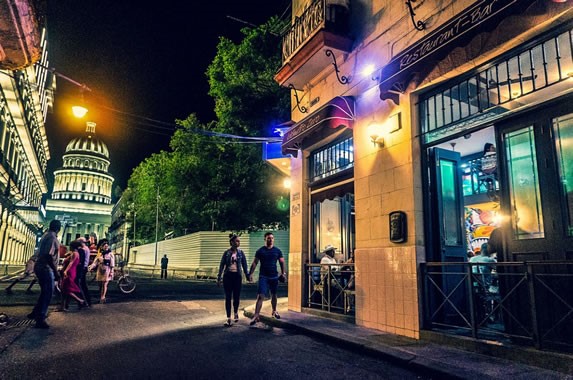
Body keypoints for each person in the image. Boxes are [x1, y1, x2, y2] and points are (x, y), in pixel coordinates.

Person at [248, 232, 286, 325]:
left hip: (274, 276)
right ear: (265, 239)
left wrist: (283, 273)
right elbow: (254, 263)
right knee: (261, 296)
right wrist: (250, 274)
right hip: (263, 276)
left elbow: (281, 262)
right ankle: (256, 315)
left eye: (272, 238)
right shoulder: (260, 251)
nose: (271, 240)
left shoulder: (277, 251)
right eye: (269, 238)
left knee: (274, 295)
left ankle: (274, 311)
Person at [29, 220, 61, 329]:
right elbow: (48, 256)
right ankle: (40, 318)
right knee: (48, 293)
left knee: (44, 292)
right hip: (46, 268)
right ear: (58, 228)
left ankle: (35, 312)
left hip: (40, 266)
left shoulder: (45, 236)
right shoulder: (52, 238)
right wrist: (56, 272)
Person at [217, 234, 250, 327]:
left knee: (236, 296)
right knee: (228, 297)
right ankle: (228, 318)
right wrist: (219, 278)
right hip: (228, 276)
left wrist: (247, 275)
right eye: (236, 241)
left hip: (237, 276)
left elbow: (244, 265)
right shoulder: (226, 253)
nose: (238, 243)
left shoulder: (241, 253)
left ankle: (235, 312)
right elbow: (222, 265)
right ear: (231, 242)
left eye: (239, 241)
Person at [57, 240, 86, 311]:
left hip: (70, 272)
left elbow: (71, 263)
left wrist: (66, 271)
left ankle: (80, 300)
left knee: (67, 289)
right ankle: (62, 307)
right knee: (64, 289)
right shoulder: (74, 253)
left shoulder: (75, 254)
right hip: (71, 271)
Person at [89, 239, 114, 304]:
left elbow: (112, 264)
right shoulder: (99, 254)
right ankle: (101, 295)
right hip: (100, 270)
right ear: (102, 247)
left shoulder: (110, 254)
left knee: (105, 284)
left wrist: (111, 271)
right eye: (105, 246)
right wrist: (90, 267)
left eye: (107, 246)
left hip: (107, 270)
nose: (106, 247)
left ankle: (103, 297)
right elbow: (95, 263)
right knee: (100, 284)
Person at [76, 237, 92, 307]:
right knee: (83, 285)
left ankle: (83, 301)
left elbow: (80, 261)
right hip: (84, 267)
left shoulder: (82, 249)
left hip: (82, 268)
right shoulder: (87, 248)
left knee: (81, 285)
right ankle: (87, 301)